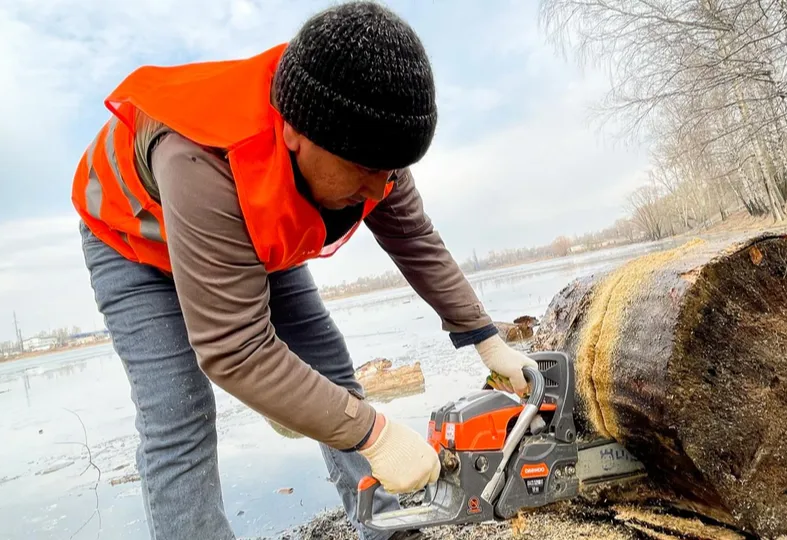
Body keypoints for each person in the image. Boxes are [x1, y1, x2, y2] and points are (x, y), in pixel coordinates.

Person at [72, 2, 537, 539]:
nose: (376, 191)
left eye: (390, 174)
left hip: (253, 227)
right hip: (132, 241)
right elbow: (236, 349)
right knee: (179, 415)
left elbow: (413, 238)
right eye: (365, 172)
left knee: (331, 371)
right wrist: (375, 434)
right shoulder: (202, 157)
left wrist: (485, 337)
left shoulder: (366, 143)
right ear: (296, 132)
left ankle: (387, 528)